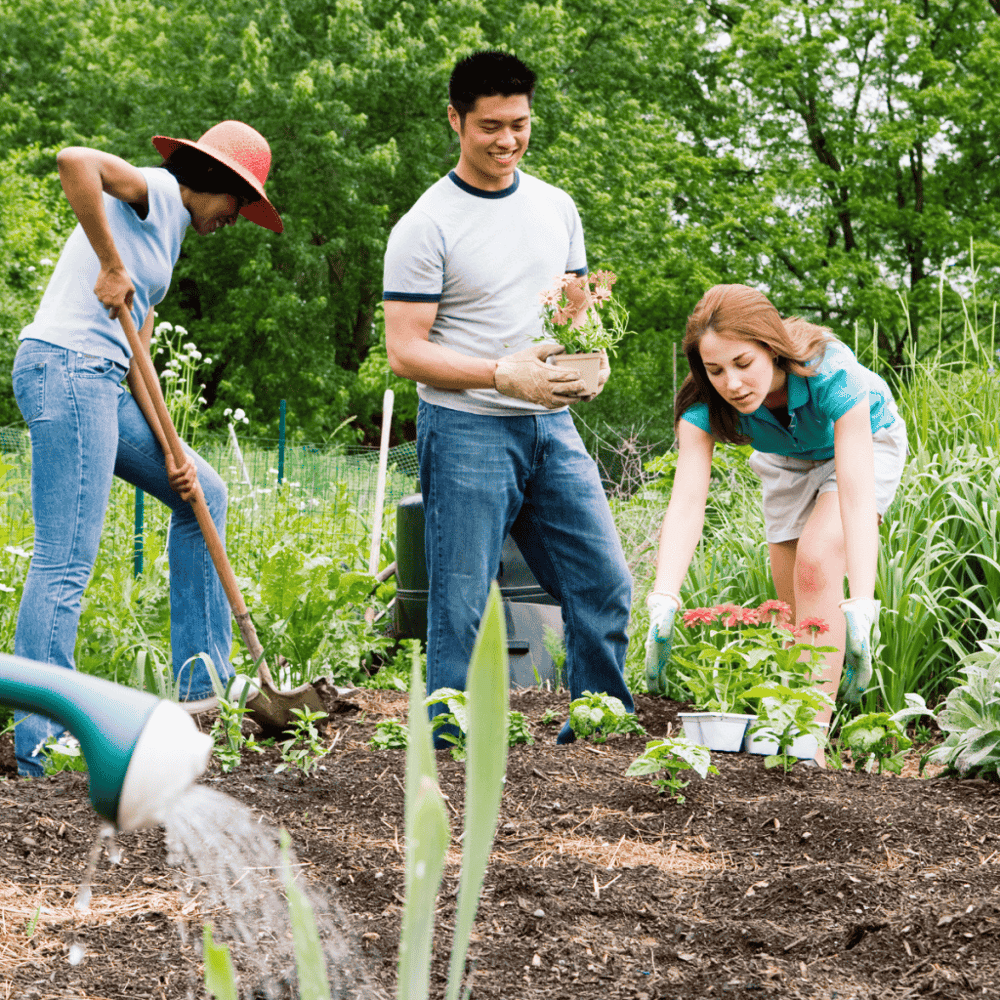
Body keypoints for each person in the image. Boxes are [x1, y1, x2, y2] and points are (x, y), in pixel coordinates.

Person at [10, 120, 283, 776]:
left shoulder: (170, 236)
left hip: (102, 379)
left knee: (203, 495)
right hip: (68, 370)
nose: (237, 219)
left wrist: (172, 449)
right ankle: (41, 743)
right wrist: (108, 262)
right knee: (66, 560)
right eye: (238, 203)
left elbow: (138, 358)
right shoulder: (156, 192)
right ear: (213, 182)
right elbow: (74, 159)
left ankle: (202, 690)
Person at [382, 50, 633, 744]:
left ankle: (600, 731)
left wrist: (592, 357)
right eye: (490, 126)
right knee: (460, 605)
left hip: (552, 427)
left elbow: (577, 307)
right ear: (455, 120)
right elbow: (406, 349)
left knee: (602, 584)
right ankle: (448, 745)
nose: (507, 141)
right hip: (466, 428)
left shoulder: (556, 207)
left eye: (519, 124)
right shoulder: (426, 225)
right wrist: (500, 374)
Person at [645, 284, 908, 743]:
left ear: (772, 347)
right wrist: (663, 598)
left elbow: (855, 494)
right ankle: (791, 742)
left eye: (743, 363)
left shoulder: (831, 372)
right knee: (793, 613)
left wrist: (862, 601)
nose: (732, 384)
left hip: (865, 443)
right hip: (785, 460)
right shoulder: (703, 403)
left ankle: (812, 746)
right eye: (716, 370)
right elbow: (687, 501)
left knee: (818, 558)